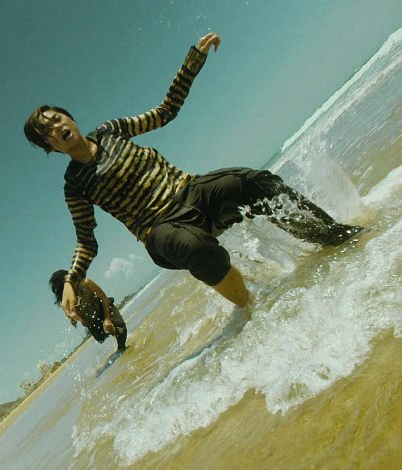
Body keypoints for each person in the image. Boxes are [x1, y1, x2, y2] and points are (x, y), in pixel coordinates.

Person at [24, 32, 362, 316]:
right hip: (160, 230)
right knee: (195, 247)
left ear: (69, 117)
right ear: (50, 146)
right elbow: (87, 240)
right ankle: (255, 311)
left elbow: (165, 111)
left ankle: (337, 237)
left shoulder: (112, 130)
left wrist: (193, 61)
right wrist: (70, 281)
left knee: (253, 182)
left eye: (56, 119)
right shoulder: (75, 184)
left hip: (192, 191)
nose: (56, 127)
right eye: (47, 132)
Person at [49, 270, 128, 351]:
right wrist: (73, 320)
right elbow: (71, 315)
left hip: (103, 309)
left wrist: (107, 319)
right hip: (91, 322)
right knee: (101, 339)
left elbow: (104, 298)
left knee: (120, 329)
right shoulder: (65, 302)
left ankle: (122, 348)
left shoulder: (85, 283)